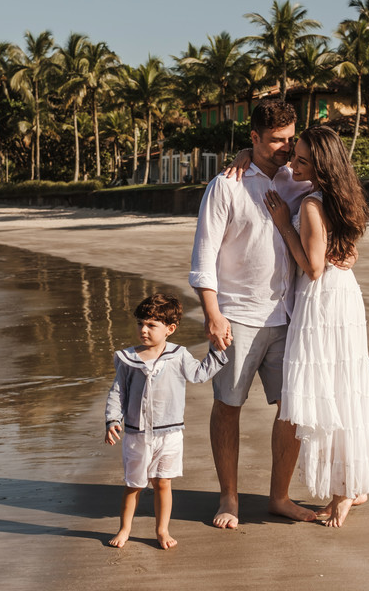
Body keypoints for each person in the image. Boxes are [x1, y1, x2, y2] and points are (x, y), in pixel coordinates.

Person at [189, 99, 316, 529]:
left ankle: (278, 496)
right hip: (237, 315)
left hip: (288, 314)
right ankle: (229, 497)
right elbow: (203, 257)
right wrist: (212, 313)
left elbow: (337, 187)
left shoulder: (297, 180)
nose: (285, 148)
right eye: (276, 140)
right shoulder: (226, 185)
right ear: (254, 138)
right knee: (228, 405)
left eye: (289, 139)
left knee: (293, 408)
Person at [265, 125, 369, 527]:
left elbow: (313, 268)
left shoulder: (313, 205)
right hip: (344, 296)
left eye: (302, 160)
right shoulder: (344, 197)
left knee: (329, 392)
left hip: (322, 305)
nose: (293, 163)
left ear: (321, 166)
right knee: (344, 390)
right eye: (294, 155)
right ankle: (350, 486)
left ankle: (343, 494)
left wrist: (284, 224)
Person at [104, 293, 228, 549]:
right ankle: (125, 529)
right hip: (136, 434)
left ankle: (162, 530)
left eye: (151, 325)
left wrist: (217, 348)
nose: (144, 330)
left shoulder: (178, 355)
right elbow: (118, 392)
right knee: (133, 485)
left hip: (169, 433)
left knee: (163, 483)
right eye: (140, 323)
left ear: (170, 329)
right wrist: (112, 420)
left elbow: (199, 374)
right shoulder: (128, 358)